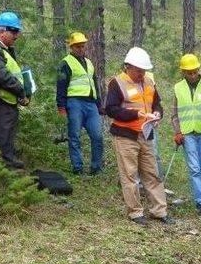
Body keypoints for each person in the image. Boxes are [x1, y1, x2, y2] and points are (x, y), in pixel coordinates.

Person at [105, 47, 174, 226]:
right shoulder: (117, 83)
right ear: (128, 67)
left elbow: (157, 104)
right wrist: (136, 114)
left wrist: (157, 114)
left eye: (144, 70)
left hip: (146, 134)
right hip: (125, 136)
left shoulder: (150, 82)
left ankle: (159, 211)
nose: (141, 74)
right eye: (138, 70)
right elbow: (111, 110)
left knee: (152, 173)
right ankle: (135, 212)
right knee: (129, 175)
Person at [171, 54, 201, 214]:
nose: (192, 75)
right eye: (188, 72)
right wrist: (177, 132)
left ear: (199, 69)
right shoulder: (178, 88)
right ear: (183, 72)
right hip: (187, 133)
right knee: (194, 168)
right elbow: (174, 113)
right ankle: (200, 201)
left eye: (194, 71)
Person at [56, 31, 103, 175]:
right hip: (74, 102)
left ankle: (96, 168)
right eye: (78, 47)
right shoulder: (66, 63)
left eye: (83, 46)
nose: (81, 49)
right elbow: (61, 85)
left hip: (91, 104)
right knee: (74, 135)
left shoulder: (89, 63)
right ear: (72, 47)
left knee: (97, 136)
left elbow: (94, 84)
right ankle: (77, 168)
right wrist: (61, 107)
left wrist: (99, 104)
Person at [0, 11, 29, 169]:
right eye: (13, 31)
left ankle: (7, 162)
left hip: (9, 100)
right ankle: (1, 167)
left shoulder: (6, 49)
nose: (16, 35)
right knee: (1, 135)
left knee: (7, 134)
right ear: (0, 30)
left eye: (17, 31)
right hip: (0, 101)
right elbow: (1, 75)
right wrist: (21, 90)